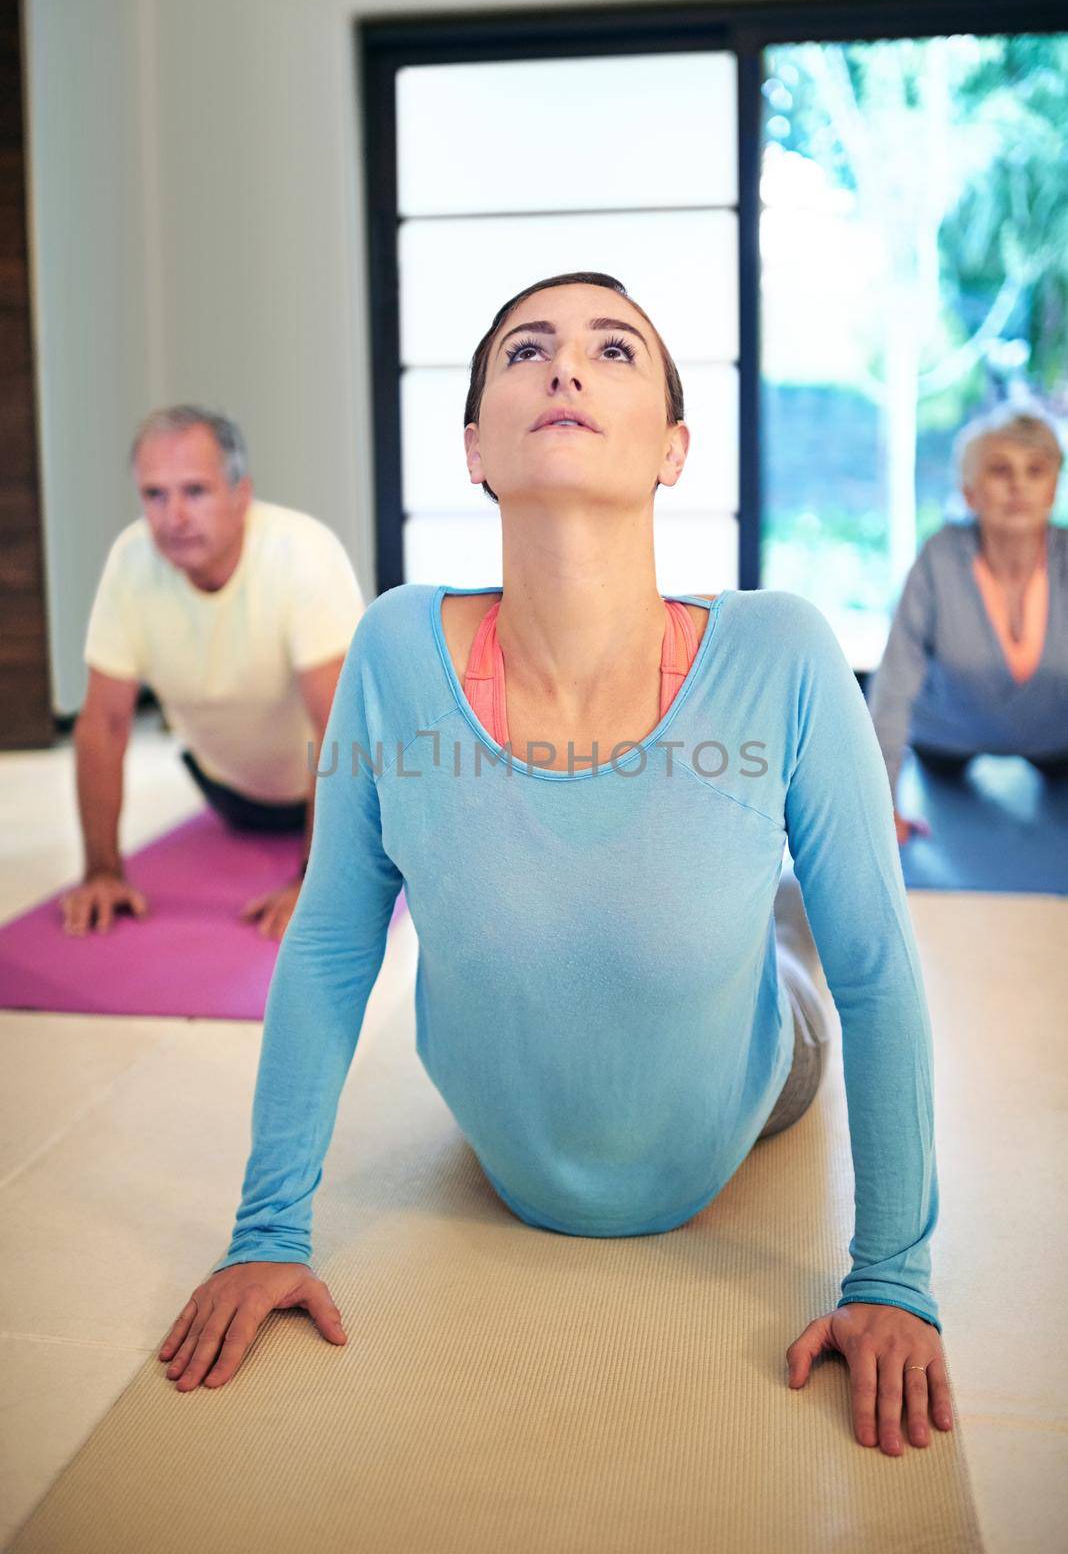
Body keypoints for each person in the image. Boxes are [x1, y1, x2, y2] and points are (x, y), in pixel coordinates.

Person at [160, 274, 953, 1461]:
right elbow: (331, 939)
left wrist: (894, 1277)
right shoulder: (391, 647)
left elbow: (878, 966)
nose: (566, 369)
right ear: (475, 444)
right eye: (527, 350)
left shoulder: (780, 649)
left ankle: (763, 904)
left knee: (792, 932)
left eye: (614, 351)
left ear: (675, 448)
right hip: (519, 1133)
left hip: (764, 1061)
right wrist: (265, 1231)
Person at [61, 405, 364, 941]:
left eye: (195, 492)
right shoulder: (132, 561)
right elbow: (103, 725)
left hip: (348, 795)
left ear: (240, 495)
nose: (173, 516)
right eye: (155, 494)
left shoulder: (302, 554)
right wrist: (101, 871)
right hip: (233, 796)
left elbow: (341, 731)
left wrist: (317, 886)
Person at [865, 403, 1068, 845]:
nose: (1019, 486)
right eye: (1000, 470)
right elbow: (894, 687)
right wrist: (881, 809)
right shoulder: (939, 558)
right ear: (970, 491)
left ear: (1053, 488)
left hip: (1059, 742)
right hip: (947, 739)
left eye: (1036, 470)